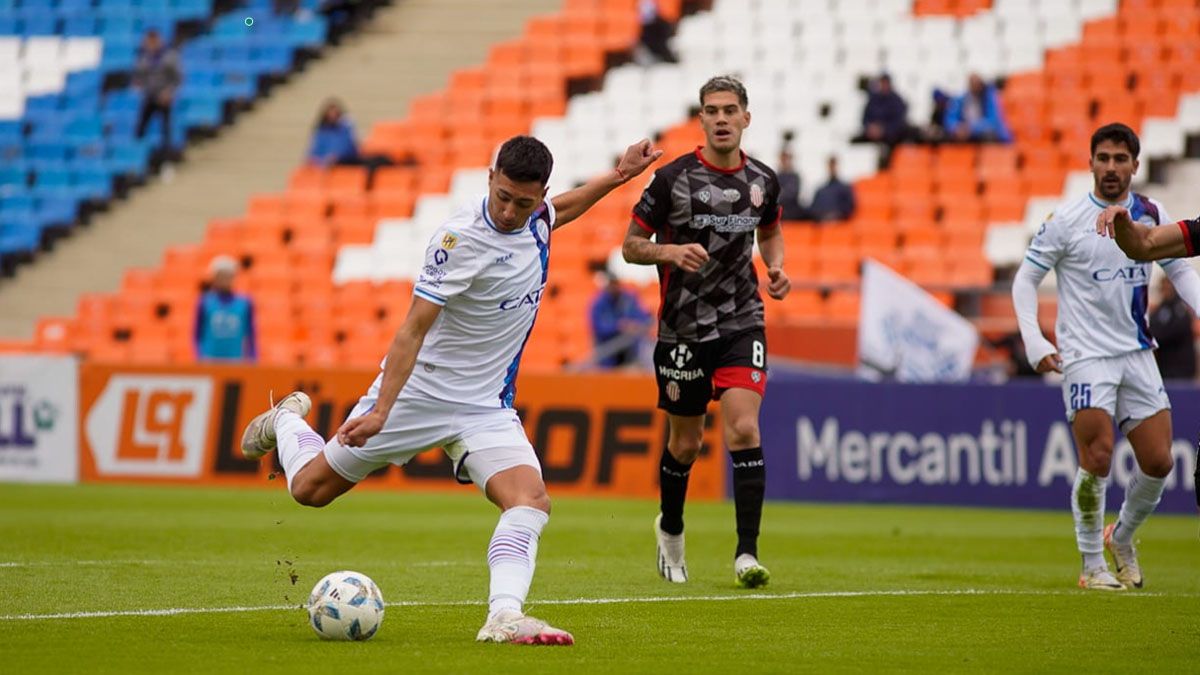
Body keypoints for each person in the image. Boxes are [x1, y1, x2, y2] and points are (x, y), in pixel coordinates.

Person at [240, 135, 661, 645]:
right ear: (490, 177)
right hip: (418, 393)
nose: (509, 211)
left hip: (484, 406)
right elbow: (411, 330)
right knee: (309, 490)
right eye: (502, 196)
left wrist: (619, 178)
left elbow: (559, 210)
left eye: (522, 202)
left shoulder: (537, 218)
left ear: (539, 195)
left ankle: (504, 616)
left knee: (530, 501)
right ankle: (286, 419)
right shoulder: (457, 241)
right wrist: (381, 411)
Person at [1011, 123, 1200, 590]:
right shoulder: (1066, 219)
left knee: (1158, 462)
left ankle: (1124, 537)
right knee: (1096, 456)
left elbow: (1178, 270)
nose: (1111, 167)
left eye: (1121, 159)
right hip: (1085, 355)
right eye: (1104, 158)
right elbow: (1024, 280)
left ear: (1136, 165)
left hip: (1136, 351)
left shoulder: (1151, 213)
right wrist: (1035, 341)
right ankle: (1092, 564)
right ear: (1090, 162)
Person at [621, 75, 790, 588]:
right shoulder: (672, 179)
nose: (721, 118)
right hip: (682, 330)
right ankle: (670, 529)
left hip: (743, 319)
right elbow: (630, 246)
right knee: (687, 444)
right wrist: (669, 251)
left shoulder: (763, 180)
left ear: (746, 117)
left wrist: (776, 267)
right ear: (701, 119)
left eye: (729, 109)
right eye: (711, 110)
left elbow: (772, 230)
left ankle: (746, 553)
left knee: (743, 429)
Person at [306, 98, 394, 186]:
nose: (333, 116)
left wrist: (337, 156)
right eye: (331, 113)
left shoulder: (345, 128)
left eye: (336, 114)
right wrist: (324, 161)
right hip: (331, 164)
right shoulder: (321, 132)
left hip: (347, 159)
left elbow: (350, 148)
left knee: (380, 159)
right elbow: (313, 154)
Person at [194, 256, 257, 361]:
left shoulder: (244, 303)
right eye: (221, 275)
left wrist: (252, 359)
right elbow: (197, 335)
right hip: (210, 361)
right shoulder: (204, 302)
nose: (225, 279)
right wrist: (200, 357)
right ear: (214, 277)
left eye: (228, 275)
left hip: (235, 362)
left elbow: (251, 335)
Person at [133, 29, 181, 160]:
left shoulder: (169, 57)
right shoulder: (144, 57)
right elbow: (138, 77)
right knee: (141, 128)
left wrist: (168, 92)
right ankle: (138, 157)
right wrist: (138, 85)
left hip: (164, 97)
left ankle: (167, 158)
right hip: (150, 96)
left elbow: (177, 79)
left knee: (166, 130)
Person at [589, 272, 652, 368]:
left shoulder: (628, 298)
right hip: (608, 354)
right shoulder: (598, 303)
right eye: (611, 284)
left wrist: (634, 325)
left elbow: (642, 316)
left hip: (630, 351)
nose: (614, 287)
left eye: (615, 283)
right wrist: (618, 326)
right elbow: (598, 327)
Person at [1150, 276, 1197, 380]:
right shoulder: (1161, 308)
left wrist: (1152, 336)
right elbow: (1151, 326)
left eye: (1168, 286)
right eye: (1163, 286)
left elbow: (1174, 331)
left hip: (1182, 368)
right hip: (1165, 368)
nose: (1165, 289)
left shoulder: (1181, 309)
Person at [945, 73, 1012, 143]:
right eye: (972, 84)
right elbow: (950, 118)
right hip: (965, 136)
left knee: (989, 135)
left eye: (977, 84)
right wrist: (956, 128)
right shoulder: (961, 100)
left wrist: (971, 129)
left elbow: (993, 122)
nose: (975, 86)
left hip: (984, 136)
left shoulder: (989, 99)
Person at [855, 73, 910, 146]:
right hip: (872, 134)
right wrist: (869, 128)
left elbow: (899, 122)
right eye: (882, 83)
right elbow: (865, 118)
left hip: (890, 137)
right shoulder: (873, 99)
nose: (883, 85)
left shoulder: (897, 101)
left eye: (885, 83)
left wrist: (883, 130)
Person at [808, 156, 856, 222]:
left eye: (834, 165)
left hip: (839, 224)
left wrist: (836, 216)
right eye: (830, 165)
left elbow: (850, 208)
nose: (832, 168)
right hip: (822, 224)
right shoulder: (821, 190)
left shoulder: (845, 188)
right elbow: (813, 209)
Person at [776, 147, 805, 221]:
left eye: (786, 159)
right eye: (783, 159)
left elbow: (792, 194)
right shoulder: (776, 176)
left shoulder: (795, 177)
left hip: (791, 210)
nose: (785, 161)